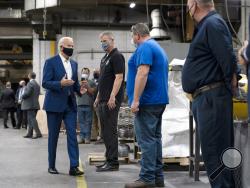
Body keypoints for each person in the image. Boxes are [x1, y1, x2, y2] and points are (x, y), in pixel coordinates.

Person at [182, 0, 237, 187]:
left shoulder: (212, 24)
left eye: (188, 3)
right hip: (208, 98)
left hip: (212, 98)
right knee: (213, 154)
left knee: (215, 154)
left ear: (195, 4)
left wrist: (228, 89)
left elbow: (228, 59)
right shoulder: (207, 25)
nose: (186, 8)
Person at [125, 23, 169, 188]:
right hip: (158, 100)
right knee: (155, 140)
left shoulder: (144, 47)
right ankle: (157, 177)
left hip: (147, 101)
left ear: (137, 35)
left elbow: (142, 72)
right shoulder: (156, 47)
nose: (132, 39)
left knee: (147, 141)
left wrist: (136, 99)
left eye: (132, 36)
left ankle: (147, 179)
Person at [42, 36, 84, 176]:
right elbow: (45, 83)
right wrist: (60, 84)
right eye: (69, 46)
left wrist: (80, 90)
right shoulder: (50, 62)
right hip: (54, 105)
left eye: (72, 46)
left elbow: (75, 83)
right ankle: (51, 165)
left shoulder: (74, 64)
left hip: (70, 105)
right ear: (61, 47)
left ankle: (74, 167)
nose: (71, 48)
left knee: (72, 135)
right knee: (53, 136)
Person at [94, 31, 125, 172]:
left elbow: (119, 77)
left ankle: (113, 163)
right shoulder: (104, 58)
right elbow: (103, 80)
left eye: (105, 40)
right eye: (101, 41)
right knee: (105, 132)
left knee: (110, 131)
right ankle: (108, 159)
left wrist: (113, 96)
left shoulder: (117, 56)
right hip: (103, 100)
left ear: (112, 40)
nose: (103, 43)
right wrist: (98, 96)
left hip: (111, 101)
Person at [77, 67, 96, 144]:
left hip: (88, 105)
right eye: (83, 72)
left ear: (89, 74)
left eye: (86, 72)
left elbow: (92, 92)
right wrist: (80, 86)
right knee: (81, 121)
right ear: (81, 73)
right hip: (80, 104)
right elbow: (75, 92)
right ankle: (82, 137)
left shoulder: (91, 82)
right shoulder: (78, 82)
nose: (85, 74)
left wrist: (87, 86)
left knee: (88, 122)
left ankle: (87, 137)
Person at [22, 72, 42, 139]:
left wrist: (22, 96)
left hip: (30, 104)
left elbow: (27, 93)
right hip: (35, 104)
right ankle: (29, 133)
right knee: (30, 119)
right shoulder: (37, 84)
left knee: (32, 119)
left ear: (29, 76)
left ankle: (38, 133)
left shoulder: (30, 83)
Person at [91, 69, 103, 144]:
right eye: (94, 71)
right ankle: (94, 136)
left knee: (100, 121)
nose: (95, 72)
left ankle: (101, 136)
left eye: (97, 71)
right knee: (93, 120)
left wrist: (97, 100)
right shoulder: (92, 81)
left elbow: (99, 91)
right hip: (93, 102)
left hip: (99, 102)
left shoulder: (102, 80)